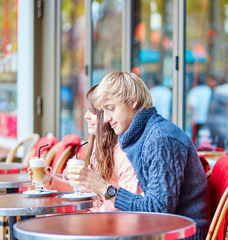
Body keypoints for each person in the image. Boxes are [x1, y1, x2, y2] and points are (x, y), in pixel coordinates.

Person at [72, 72, 210, 239]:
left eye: (111, 108)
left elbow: (160, 211)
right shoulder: (140, 135)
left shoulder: (161, 139)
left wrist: (104, 189)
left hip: (181, 234)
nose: (106, 119)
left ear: (133, 102)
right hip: (157, 229)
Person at [29, 85, 144, 212]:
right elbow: (83, 192)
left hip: (109, 225)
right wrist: (49, 180)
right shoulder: (97, 147)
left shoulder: (124, 155)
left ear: (106, 115)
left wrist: (98, 201)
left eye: (92, 112)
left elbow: (130, 207)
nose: (86, 116)